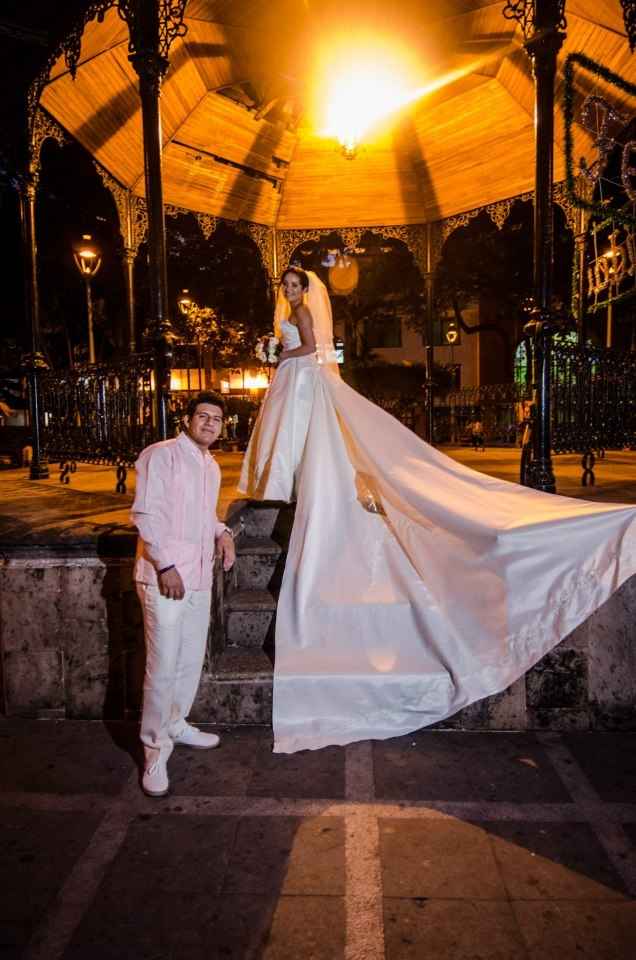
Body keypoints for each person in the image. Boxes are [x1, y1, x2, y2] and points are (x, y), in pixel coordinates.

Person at [238, 268, 636, 755]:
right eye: (288, 286)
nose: (291, 292)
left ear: (306, 291)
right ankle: (291, 480)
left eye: (296, 286)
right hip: (298, 379)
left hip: (300, 374)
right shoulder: (289, 308)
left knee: (311, 438)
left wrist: (281, 354)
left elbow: (313, 344)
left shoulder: (299, 313)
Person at [132, 392, 235, 797]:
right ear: (188, 419)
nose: (210, 423)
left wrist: (222, 531)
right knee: (162, 665)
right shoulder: (161, 455)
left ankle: (176, 723)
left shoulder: (210, 467)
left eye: (217, 419)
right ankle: (154, 748)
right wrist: (164, 565)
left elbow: (202, 515)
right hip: (166, 577)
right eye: (203, 416)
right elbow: (146, 513)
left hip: (198, 577)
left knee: (190, 659)